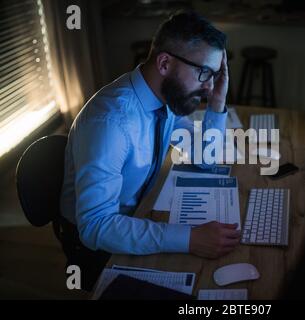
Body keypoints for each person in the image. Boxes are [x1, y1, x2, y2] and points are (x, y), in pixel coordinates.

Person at [59, 11, 240, 290]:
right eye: (204, 72)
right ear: (165, 63)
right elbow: (95, 226)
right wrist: (190, 239)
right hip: (99, 247)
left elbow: (205, 159)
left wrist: (217, 103)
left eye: (214, 75)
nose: (208, 86)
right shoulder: (110, 122)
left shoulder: (165, 98)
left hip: (141, 212)